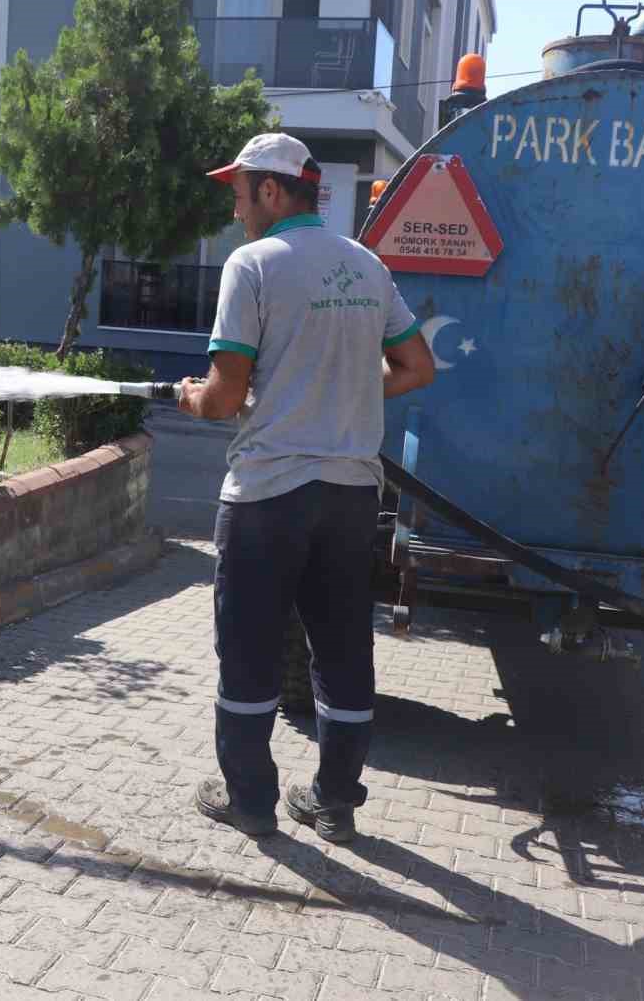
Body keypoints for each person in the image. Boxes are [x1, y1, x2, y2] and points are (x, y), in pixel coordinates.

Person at [177, 133, 435, 842]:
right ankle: (334, 800)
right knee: (345, 648)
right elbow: (416, 367)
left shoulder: (253, 265)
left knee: (250, 647)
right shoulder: (366, 265)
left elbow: (227, 398)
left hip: (269, 493)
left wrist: (192, 397)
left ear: (271, 190)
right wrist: (351, 394)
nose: (235, 206)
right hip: (353, 495)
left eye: (240, 191)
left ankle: (251, 801)